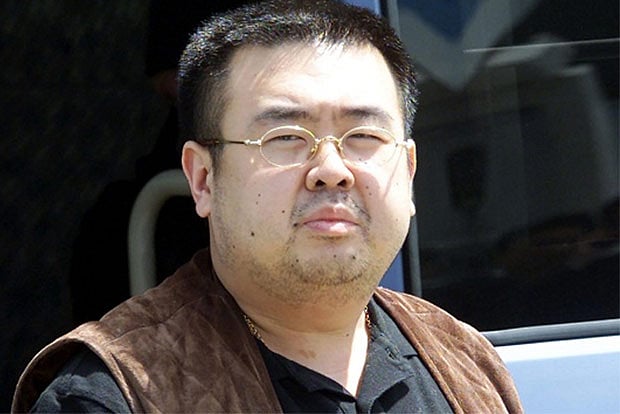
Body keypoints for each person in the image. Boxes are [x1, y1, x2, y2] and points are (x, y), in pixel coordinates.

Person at [13, 1, 523, 412]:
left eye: (364, 136)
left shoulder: (463, 362)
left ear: (408, 172)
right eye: (285, 137)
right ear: (203, 179)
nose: (332, 168)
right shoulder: (113, 395)